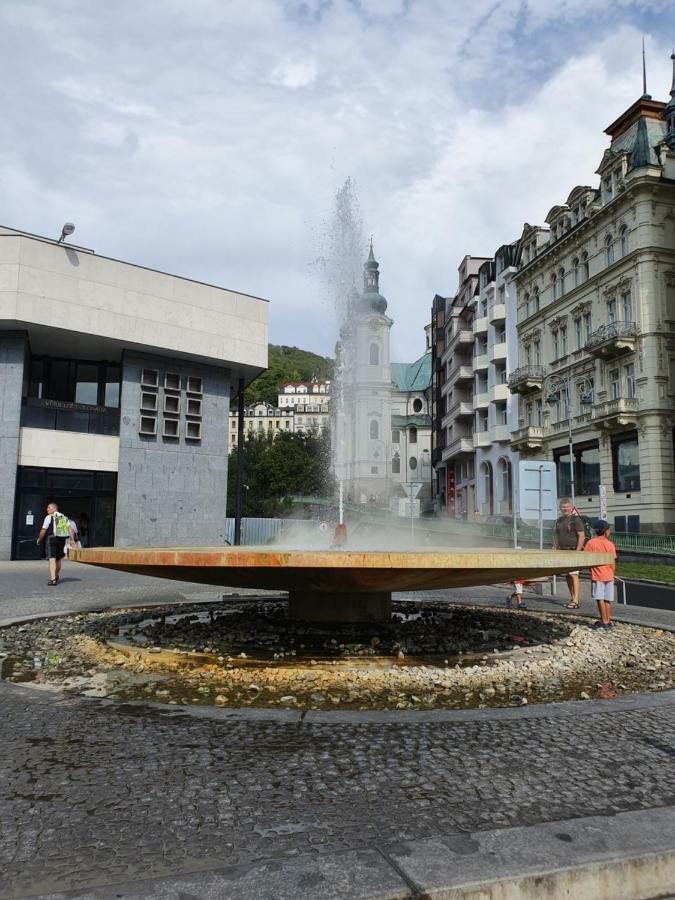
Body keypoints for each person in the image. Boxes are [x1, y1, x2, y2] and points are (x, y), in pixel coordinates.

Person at [584, 519, 617, 629]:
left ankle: (603, 622)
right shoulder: (610, 544)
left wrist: (590, 569)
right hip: (609, 575)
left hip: (597, 575)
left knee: (600, 599)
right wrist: (612, 574)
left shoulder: (591, 543)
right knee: (607, 599)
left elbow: (586, 559)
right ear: (606, 530)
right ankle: (608, 620)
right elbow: (613, 561)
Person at [553, 497, 586, 609]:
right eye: (563, 507)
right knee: (568, 576)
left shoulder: (575, 520)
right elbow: (557, 536)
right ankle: (572, 598)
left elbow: (581, 536)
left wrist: (577, 551)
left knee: (574, 574)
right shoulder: (559, 520)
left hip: (573, 550)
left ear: (571, 508)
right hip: (563, 551)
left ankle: (576, 600)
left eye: (567, 507)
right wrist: (555, 548)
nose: (565, 509)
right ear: (560, 508)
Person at [36, 502, 74, 586]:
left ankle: (53, 579)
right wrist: (72, 540)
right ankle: (56, 575)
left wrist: (39, 538)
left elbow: (43, 530)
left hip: (51, 539)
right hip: (61, 539)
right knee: (58, 559)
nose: (47, 509)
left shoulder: (49, 517)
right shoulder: (64, 517)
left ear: (54, 508)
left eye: (49, 508)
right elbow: (69, 529)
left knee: (52, 558)